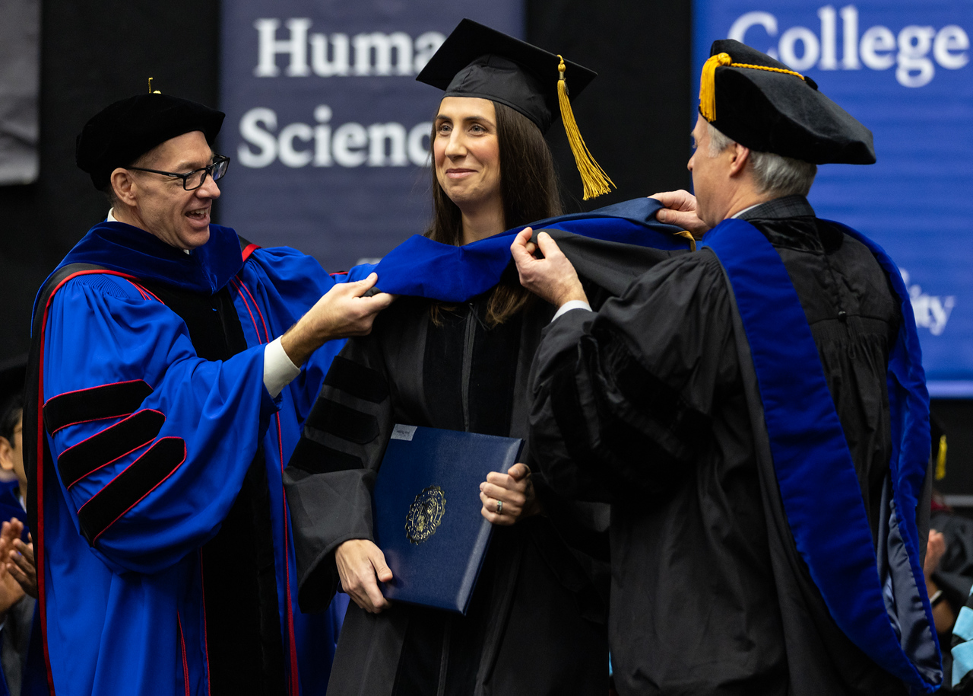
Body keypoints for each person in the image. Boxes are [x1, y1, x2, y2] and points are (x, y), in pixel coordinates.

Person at [511, 39, 941, 695]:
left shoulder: (701, 288)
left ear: (735, 155)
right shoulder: (866, 272)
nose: (687, 162)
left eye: (697, 144)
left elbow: (589, 443)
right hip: (841, 648)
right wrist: (720, 239)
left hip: (722, 649)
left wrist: (569, 305)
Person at [283, 19, 623, 695]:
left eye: (476, 128)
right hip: (404, 603)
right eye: (442, 128)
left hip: (531, 608)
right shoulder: (402, 291)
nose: (452, 147)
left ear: (519, 146)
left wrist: (544, 495)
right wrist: (345, 540)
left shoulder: (573, 291)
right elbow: (335, 452)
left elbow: (616, 456)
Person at [23, 90, 392, 696]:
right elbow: (130, 474)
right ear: (125, 185)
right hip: (163, 614)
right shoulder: (89, 300)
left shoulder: (248, 274)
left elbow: (352, 308)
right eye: (187, 176)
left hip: (273, 597)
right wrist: (290, 348)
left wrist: (460, 257)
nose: (211, 190)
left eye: (212, 169)